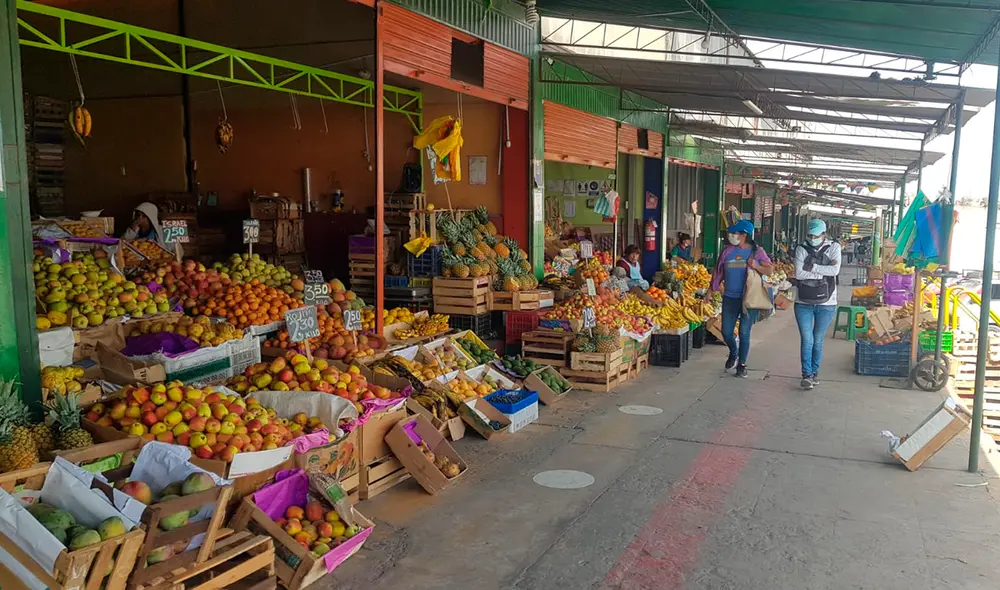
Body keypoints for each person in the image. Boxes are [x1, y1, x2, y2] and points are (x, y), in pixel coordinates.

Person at [710, 220, 774, 378]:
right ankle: (733, 352)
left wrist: (756, 266)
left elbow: (770, 270)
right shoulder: (727, 251)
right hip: (730, 298)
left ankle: (742, 364)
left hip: (748, 299)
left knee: (745, 332)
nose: (731, 236)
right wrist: (711, 290)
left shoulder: (756, 252)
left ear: (744, 235)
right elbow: (718, 272)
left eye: (734, 233)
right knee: (726, 332)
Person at [793, 219, 842, 390]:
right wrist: (823, 271)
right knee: (807, 339)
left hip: (827, 302)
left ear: (824, 234)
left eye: (816, 235)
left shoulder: (834, 247)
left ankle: (815, 373)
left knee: (818, 339)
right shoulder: (801, 249)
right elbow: (798, 274)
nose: (812, 238)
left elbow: (835, 271)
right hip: (803, 302)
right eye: (810, 235)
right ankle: (806, 374)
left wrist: (811, 267)